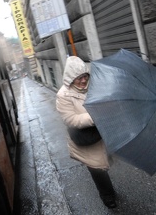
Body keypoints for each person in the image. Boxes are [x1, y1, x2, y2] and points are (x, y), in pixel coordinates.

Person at [56, 56, 117, 209]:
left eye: (85, 76)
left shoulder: (92, 86)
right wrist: (95, 116)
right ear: (70, 78)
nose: (83, 81)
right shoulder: (63, 95)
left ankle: (108, 192)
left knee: (103, 161)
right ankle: (107, 196)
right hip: (85, 137)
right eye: (78, 78)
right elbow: (71, 119)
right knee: (96, 168)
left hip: (100, 133)